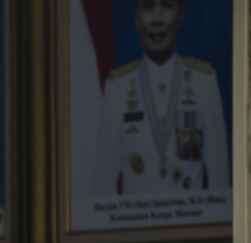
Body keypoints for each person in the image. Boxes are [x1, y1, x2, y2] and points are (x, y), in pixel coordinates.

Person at [93, 0, 229, 196]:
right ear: (137, 19)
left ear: (180, 16)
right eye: (148, 8)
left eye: (166, 6)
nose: (157, 19)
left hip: (192, 222)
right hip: (135, 223)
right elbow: (103, 186)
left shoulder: (204, 83)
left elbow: (220, 183)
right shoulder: (117, 90)